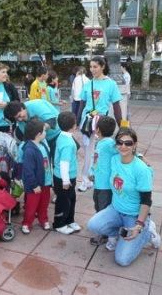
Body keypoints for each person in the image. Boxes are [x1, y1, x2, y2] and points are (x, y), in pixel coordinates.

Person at [87, 127, 161, 266]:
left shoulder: (141, 169)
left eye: (128, 143)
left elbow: (146, 201)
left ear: (135, 145)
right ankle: (121, 232)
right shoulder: (114, 159)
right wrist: (92, 173)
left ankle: (147, 232)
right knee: (93, 225)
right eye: (120, 142)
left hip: (134, 215)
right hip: (115, 209)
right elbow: (98, 157)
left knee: (122, 260)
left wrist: (139, 225)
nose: (123, 146)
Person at [76, 56, 123, 192]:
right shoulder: (88, 84)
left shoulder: (111, 84)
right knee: (88, 151)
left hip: (102, 122)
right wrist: (77, 120)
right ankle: (85, 180)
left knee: (103, 151)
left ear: (102, 67)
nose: (92, 70)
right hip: (88, 122)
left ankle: (102, 179)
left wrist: (122, 125)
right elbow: (82, 104)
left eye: (95, 67)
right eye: (90, 67)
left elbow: (116, 106)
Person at [88, 116, 118, 245]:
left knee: (103, 210)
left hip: (105, 186)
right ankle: (103, 229)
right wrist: (91, 171)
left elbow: (124, 150)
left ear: (98, 129)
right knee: (98, 206)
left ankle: (105, 234)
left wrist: (139, 156)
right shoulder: (100, 143)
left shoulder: (110, 144)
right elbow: (95, 159)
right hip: (98, 184)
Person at [21, 118, 51, 234]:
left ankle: (43, 220)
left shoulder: (42, 144)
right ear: (38, 134)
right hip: (35, 185)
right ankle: (27, 223)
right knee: (31, 206)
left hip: (46, 182)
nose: (45, 133)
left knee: (44, 203)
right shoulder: (29, 150)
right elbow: (28, 170)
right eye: (44, 131)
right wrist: (34, 185)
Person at [52, 111, 80, 235]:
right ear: (74, 125)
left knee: (71, 199)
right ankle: (59, 224)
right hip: (64, 178)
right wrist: (66, 180)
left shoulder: (62, 136)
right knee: (63, 201)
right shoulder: (68, 143)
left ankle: (69, 220)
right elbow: (64, 163)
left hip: (67, 177)